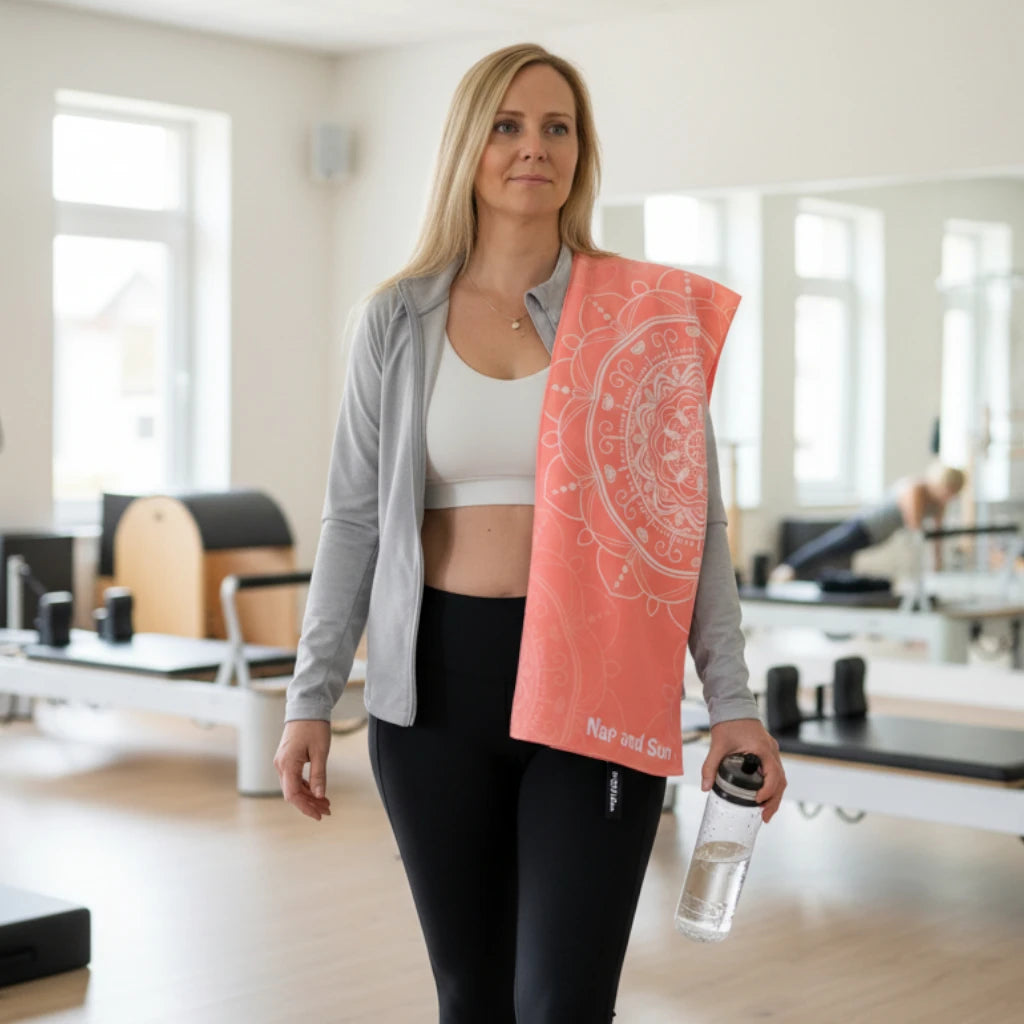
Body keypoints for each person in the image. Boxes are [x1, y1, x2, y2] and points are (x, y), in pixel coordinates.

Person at [275, 42, 786, 1024]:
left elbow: (695, 528)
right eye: (507, 124)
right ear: (467, 145)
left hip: (597, 684)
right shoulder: (397, 318)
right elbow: (350, 520)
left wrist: (732, 699)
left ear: (581, 152)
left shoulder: (638, 317)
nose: (532, 147)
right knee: (472, 995)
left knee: (561, 997)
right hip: (433, 691)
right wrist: (309, 696)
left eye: (558, 127)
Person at [769, 463, 967, 583]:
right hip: (864, 525)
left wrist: (938, 563)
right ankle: (788, 568)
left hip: (879, 535)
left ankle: (791, 570)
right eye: (948, 491)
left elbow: (936, 535)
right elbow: (914, 526)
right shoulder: (915, 489)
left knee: (838, 555)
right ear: (940, 483)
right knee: (830, 548)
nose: (949, 497)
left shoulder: (939, 501)